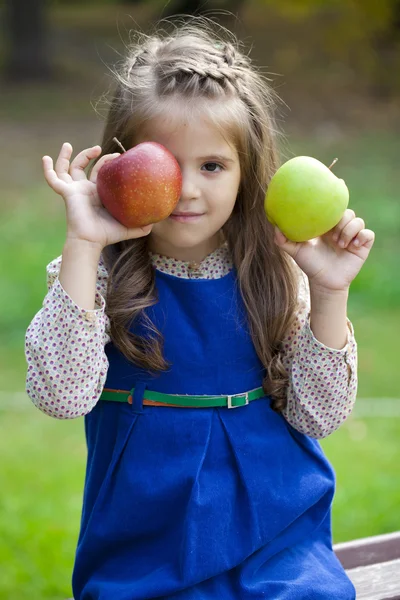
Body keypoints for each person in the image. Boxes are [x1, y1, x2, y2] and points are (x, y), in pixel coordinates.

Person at [25, 18, 375, 600]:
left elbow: (320, 418)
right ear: (120, 159)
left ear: (247, 173)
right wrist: (84, 244)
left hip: (275, 537)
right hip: (145, 543)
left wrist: (330, 294)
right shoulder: (98, 276)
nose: (186, 189)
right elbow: (61, 397)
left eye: (212, 166)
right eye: (164, 163)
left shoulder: (275, 274)